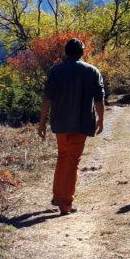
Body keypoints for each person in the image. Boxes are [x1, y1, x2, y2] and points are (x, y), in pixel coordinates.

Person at [38, 38, 105, 215]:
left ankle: (58, 195)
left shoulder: (56, 71)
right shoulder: (92, 71)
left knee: (62, 156)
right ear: (82, 52)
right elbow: (99, 98)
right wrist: (101, 119)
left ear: (65, 52)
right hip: (81, 124)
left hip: (60, 123)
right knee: (72, 161)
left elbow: (47, 99)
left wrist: (42, 121)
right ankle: (65, 203)